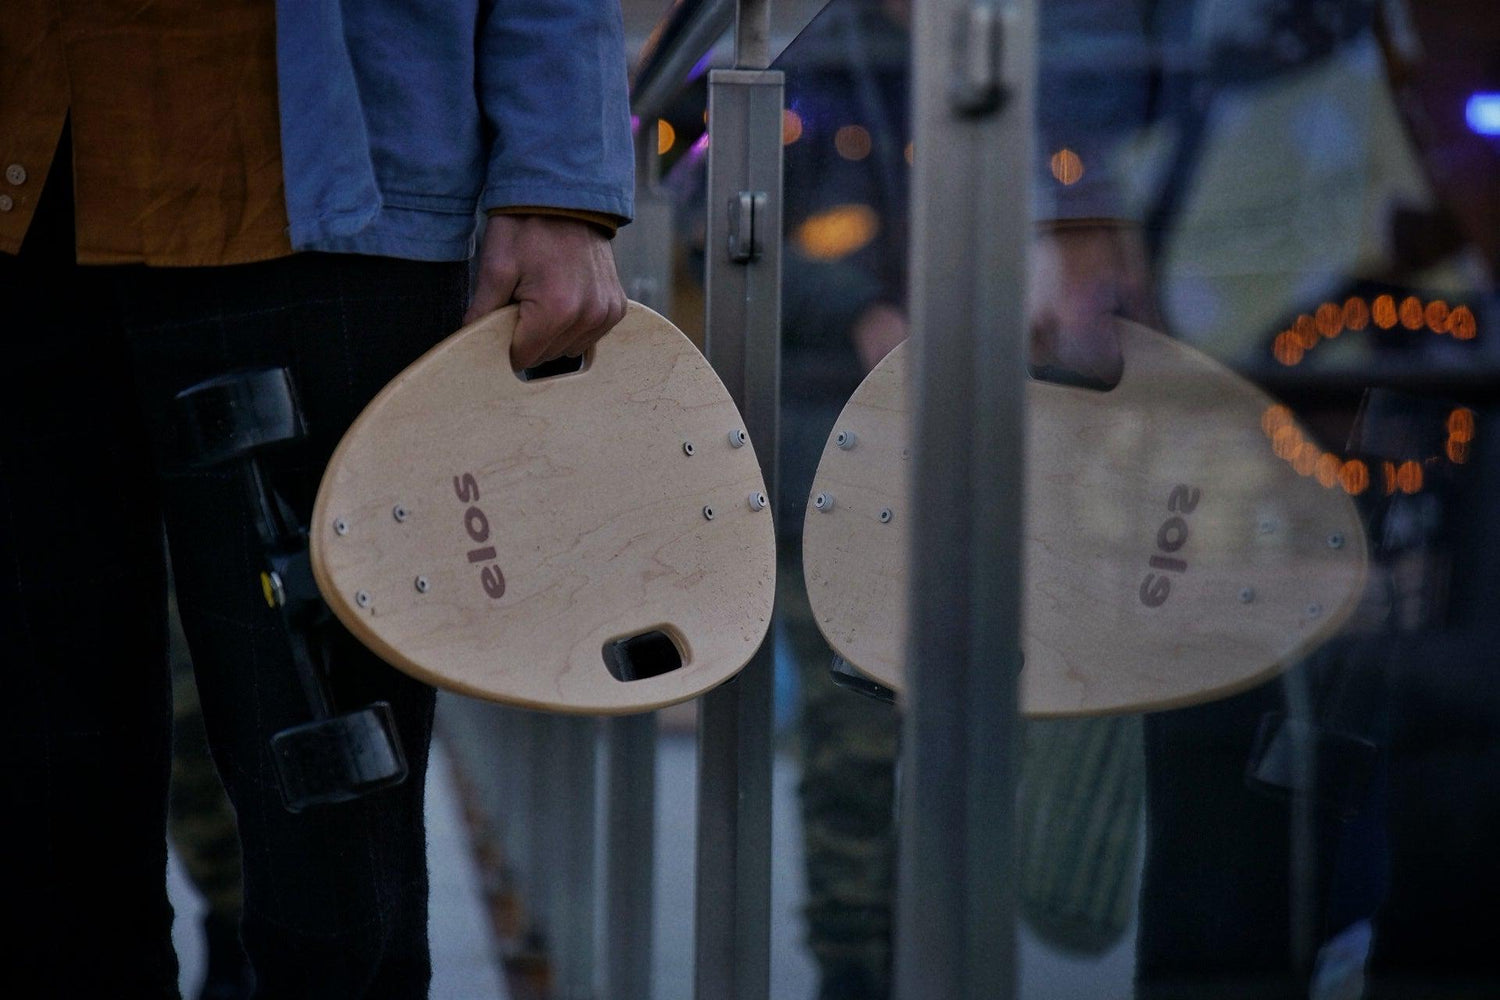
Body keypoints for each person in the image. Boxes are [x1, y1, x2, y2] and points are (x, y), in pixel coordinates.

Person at [0, 1, 631, 995]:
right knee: (35, 813)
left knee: (338, 844)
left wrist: (559, 173)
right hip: (25, 188)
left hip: (317, 191)